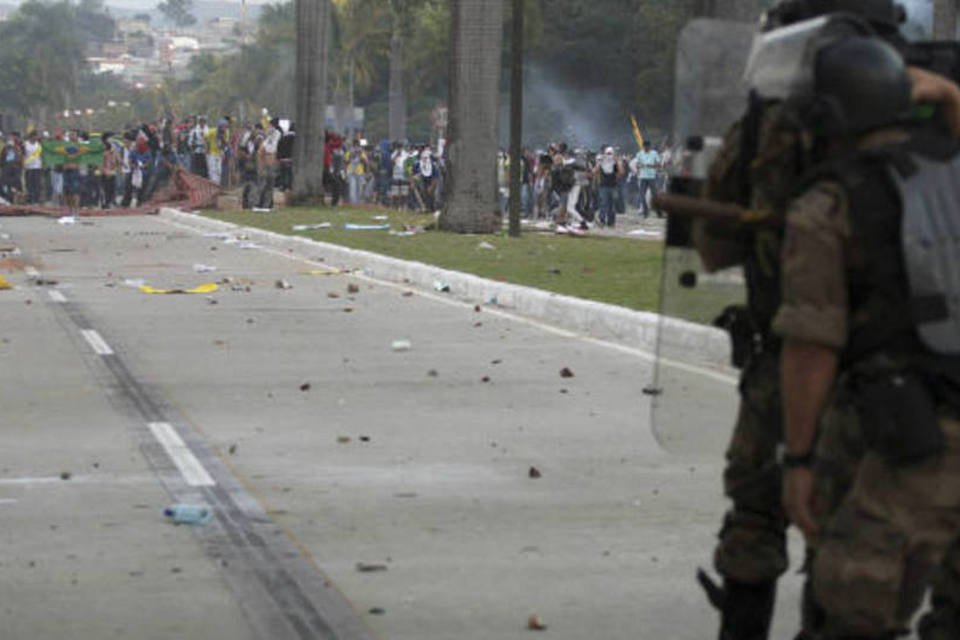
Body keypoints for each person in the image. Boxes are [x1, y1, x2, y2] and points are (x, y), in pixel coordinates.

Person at [774, 35, 960, 640]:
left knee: (851, 604)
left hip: (914, 441)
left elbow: (810, 347)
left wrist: (798, 460)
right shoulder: (952, 169)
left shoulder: (828, 205)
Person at [594, 146, 623, 227]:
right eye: (607, 153)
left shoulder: (615, 163)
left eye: (610, 153)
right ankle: (602, 220)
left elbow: (621, 173)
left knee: (612, 205)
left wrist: (617, 162)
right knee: (603, 203)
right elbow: (595, 171)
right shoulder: (601, 161)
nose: (609, 155)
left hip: (613, 186)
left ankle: (611, 222)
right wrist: (599, 162)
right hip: (603, 186)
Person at [635, 140, 660, 217]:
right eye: (645, 147)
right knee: (642, 195)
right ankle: (645, 211)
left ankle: (659, 211)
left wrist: (651, 165)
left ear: (650, 146)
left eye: (647, 147)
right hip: (643, 177)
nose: (646, 148)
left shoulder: (654, 153)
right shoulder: (639, 154)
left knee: (655, 195)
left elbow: (658, 164)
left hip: (652, 177)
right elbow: (637, 165)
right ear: (643, 147)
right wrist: (639, 167)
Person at [22, 131, 43, 205]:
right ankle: (30, 199)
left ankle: (36, 199)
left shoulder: (39, 145)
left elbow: (41, 155)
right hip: (29, 167)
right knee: (29, 184)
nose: (35, 138)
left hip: (37, 167)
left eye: (36, 136)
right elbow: (23, 154)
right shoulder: (25, 144)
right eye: (34, 136)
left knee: (37, 184)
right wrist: (24, 164)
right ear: (31, 136)